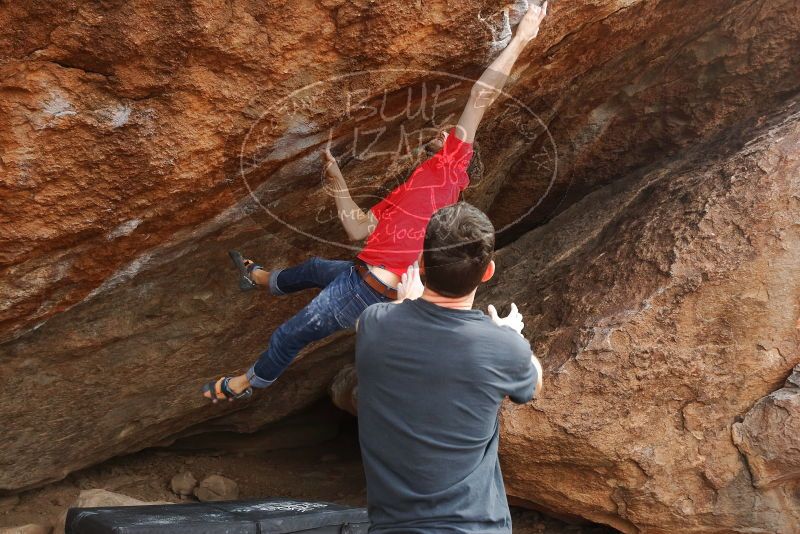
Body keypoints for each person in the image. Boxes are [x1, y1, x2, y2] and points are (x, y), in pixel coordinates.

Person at [202, 2, 549, 402]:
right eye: (439, 133)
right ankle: (259, 279)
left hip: (367, 290)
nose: (443, 133)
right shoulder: (406, 191)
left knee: (291, 333)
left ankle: (246, 385)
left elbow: (480, 97)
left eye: (447, 133)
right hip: (360, 272)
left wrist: (523, 36)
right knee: (314, 268)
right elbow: (358, 229)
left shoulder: (451, 167)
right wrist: (337, 182)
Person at [355, 202, 543, 533]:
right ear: (488, 271)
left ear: (422, 262)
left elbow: (375, 319)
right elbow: (534, 384)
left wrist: (406, 301)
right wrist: (510, 335)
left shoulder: (374, 325)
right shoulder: (503, 348)